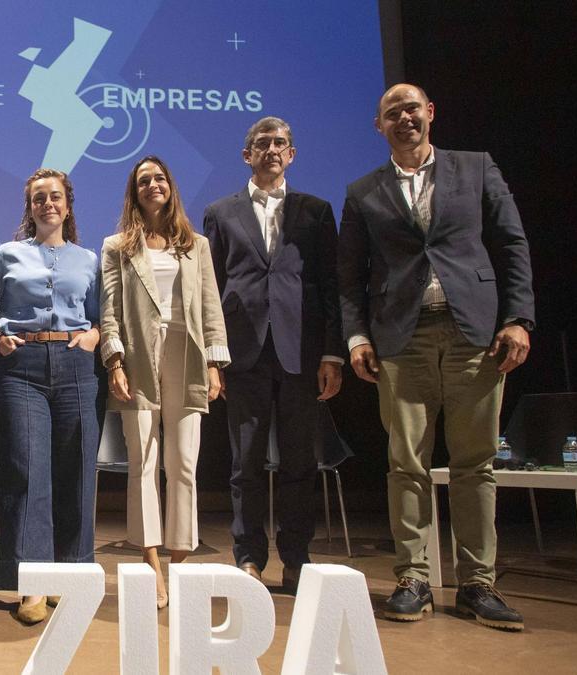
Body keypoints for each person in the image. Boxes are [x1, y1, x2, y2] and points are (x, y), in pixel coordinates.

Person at [338, 83, 534, 631]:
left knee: (475, 465)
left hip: (475, 334)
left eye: (411, 108)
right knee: (407, 464)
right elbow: (349, 277)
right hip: (402, 339)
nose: (404, 118)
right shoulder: (362, 191)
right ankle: (414, 578)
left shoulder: (475, 169)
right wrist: (356, 337)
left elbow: (512, 244)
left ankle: (478, 584)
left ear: (430, 113)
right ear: (379, 126)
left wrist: (519, 318)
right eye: (391, 113)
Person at [203, 117, 343, 593]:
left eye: (280, 143)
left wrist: (332, 354)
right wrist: (213, 358)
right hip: (243, 354)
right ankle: (249, 556)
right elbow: (212, 290)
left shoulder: (316, 211)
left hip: (300, 352)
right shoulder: (220, 213)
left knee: (299, 461)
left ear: (292, 154)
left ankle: (297, 556)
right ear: (247, 155)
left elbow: (330, 286)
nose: (272, 150)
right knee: (244, 463)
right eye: (262, 144)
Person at [100, 155, 228, 608]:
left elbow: (211, 308)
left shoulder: (197, 245)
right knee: (143, 463)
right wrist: (114, 362)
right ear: (134, 193)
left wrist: (215, 364)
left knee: (184, 465)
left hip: (187, 357)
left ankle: (181, 565)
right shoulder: (117, 246)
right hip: (137, 359)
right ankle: (151, 566)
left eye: (159, 178)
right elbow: (110, 311)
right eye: (143, 181)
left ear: (170, 186)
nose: (152, 185)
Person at [0, 168, 100, 625]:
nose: (48, 204)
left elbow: (101, 317)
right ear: (29, 206)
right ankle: (30, 585)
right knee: (26, 471)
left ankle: (70, 578)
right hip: (23, 369)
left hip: (77, 366)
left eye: (55, 197)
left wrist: (94, 334)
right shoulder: (6, 255)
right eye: (39, 198)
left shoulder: (90, 259)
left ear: (68, 205)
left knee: (77, 473)